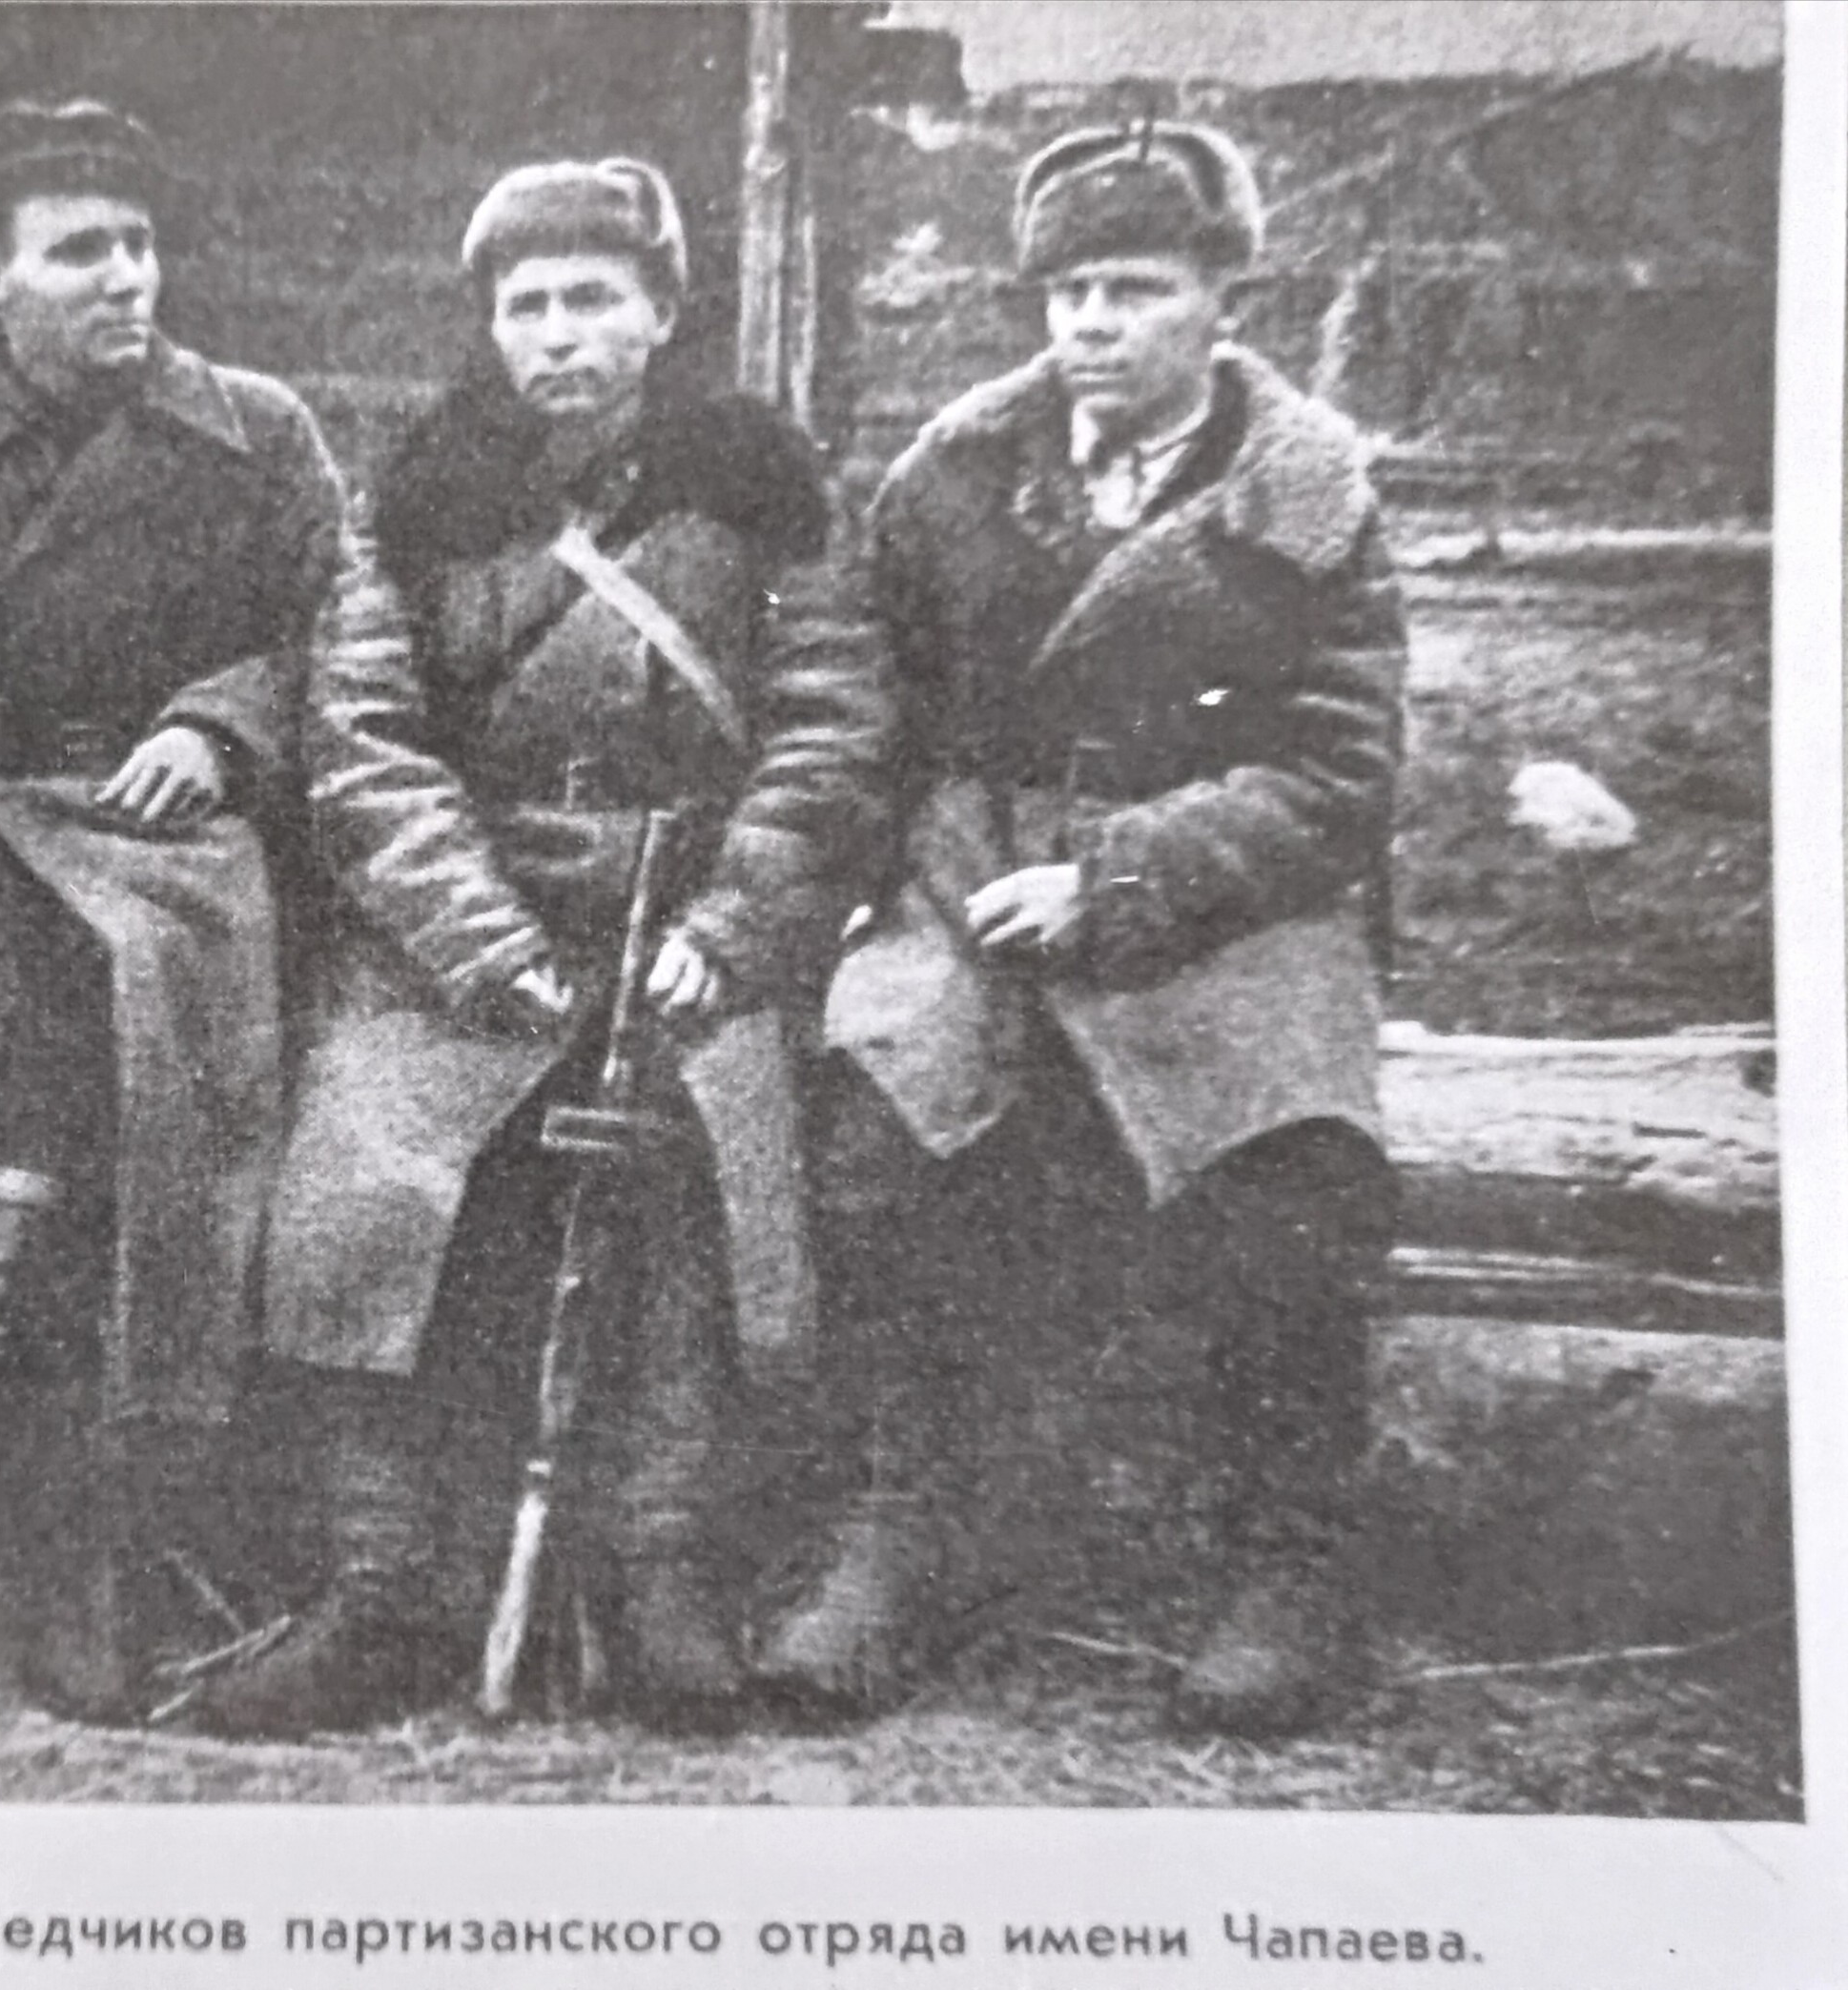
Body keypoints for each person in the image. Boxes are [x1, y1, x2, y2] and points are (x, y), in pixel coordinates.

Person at [199, 158, 893, 1737]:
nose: (560, 334)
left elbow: (832, 729)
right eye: (527, 306)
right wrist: (478, 939)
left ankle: (657, 1570)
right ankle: (385, 1586)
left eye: (594, 298)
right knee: (367, 1171)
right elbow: (365, 741)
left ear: (663, 311)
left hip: (687, 920)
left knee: (697, 1175)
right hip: (467, 930)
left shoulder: (768, 493)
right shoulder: (415, 500)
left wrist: (734, 926)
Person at [771, 120, 1406, 1737]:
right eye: (1068, 293)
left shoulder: (1305, 495)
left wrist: (1117, 883)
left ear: (1221, 301)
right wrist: (855, 891)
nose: (1093, 325)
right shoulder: (949, 482)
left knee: (1281, 1165)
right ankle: (916, 1530)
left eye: (1136, 288)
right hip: (977, 878)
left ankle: (1291, 1562)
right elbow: (873, 714)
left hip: (1224, 904)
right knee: (885, 1127)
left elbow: (1340, 774)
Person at [0, 98, 350, 1723]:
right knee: (55, 1044)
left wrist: (219, 729)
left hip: (187, 858)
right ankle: (30, 1517)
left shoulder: (260, 435)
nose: (125, 278)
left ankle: (44, 1479)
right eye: (78, 253)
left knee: (136, 1065)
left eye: (139, 244)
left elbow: (337, 648)